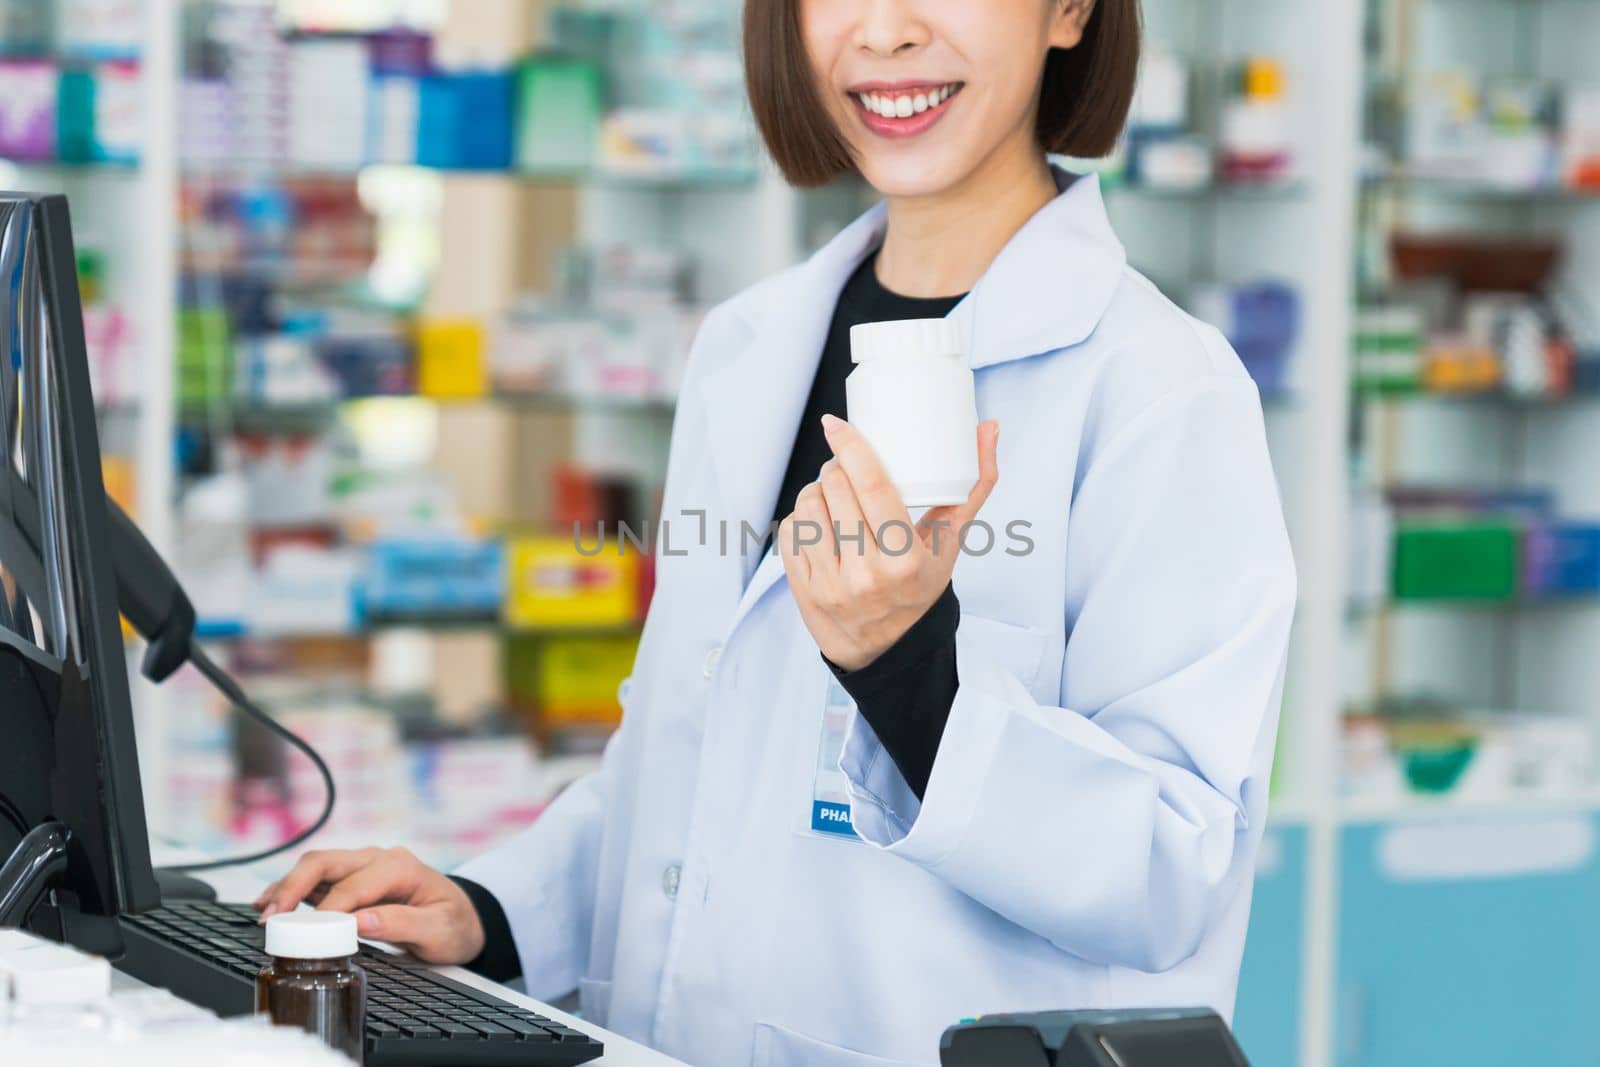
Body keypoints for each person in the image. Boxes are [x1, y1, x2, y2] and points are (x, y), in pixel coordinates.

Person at [254, 1, 1297, 1063]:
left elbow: (1175, 867)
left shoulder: (1160, 387)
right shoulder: (748, 346)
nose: (885, 33)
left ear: (1069, 9)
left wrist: (911, 675)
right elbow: (689, 761)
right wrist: (494, 908)